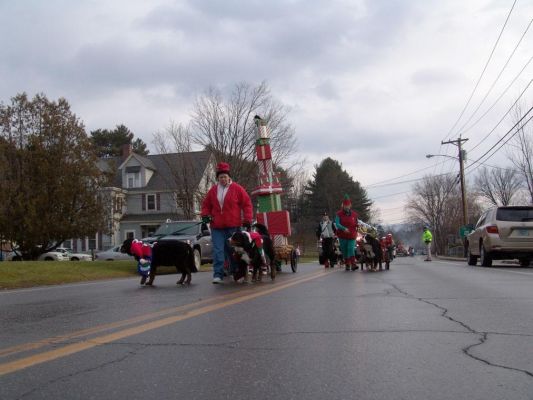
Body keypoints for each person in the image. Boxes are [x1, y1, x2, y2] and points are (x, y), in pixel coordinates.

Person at [201, 162, 253, 283]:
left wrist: (247, 219)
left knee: (233, 251)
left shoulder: (237, 189)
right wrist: (205, 216)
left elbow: (247, 204)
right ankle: (218, 274)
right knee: (218, 250)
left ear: (229, 177)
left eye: (225, 176)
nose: (223, 179)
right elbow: (206, 205)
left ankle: (236, 270)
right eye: (220, 177)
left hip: (233, 226)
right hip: (217, 226)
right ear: (218, 178)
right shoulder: (213, 190)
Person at [334, 194, 359, 271]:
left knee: (350, 248)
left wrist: (359, 227)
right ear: (343, 206)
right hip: (342, 235)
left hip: (352, 235)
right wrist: (343, 228)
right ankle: (347, 264)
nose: (347, 207)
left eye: (348, 205)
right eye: (345, 205)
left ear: (350, 205)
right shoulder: (339, 214)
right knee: (344, 250)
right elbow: (337, 223)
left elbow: (357, 223)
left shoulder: (354, 214)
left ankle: (353, 264)